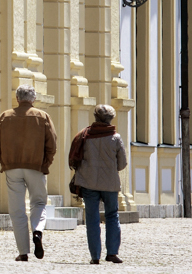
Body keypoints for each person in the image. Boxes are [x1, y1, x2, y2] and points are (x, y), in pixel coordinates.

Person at [0, 85, 57, 262]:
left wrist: (4, 161)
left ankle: (23, 252)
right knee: (39, 202)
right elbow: (52, 144)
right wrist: (45, 164)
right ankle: (37, 230)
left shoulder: (5, 117)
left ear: (17, 99)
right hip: (36, 167)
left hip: (12, 167)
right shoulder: (43, 116)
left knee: (17, 210)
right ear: (33, 99)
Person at [71, 104, 127, 265]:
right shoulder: (116, 138)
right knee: (112, 216)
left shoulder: (85, 135)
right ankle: (112, 253)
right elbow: (122, 163)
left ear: (95, 117)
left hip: (88, 182)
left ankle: (95, 256)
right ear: (111, 119)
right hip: (110, 184)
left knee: (92, 218)